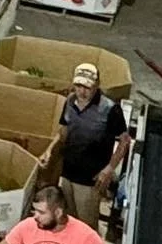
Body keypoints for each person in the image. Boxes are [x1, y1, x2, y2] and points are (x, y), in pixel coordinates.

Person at [55, 62, 130, 233]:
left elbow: (125, 141)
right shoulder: (70, 101)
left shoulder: (110, 109)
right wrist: (51, 152)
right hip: (67, 173)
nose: (81, 91)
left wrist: (109, 169)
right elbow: (64, 130)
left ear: (97, 85)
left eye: (87, 87)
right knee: (68, 220)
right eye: (78, 86)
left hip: (90, 179)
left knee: (86, 227)